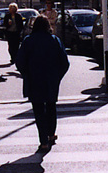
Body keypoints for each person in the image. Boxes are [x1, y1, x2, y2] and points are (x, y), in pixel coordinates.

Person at [15, 15, 70, 152]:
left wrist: (26, 74)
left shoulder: (28, 41)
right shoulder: (54, 40)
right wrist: (57, 76)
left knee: (39, 111)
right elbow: (65, 63)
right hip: (51, 79)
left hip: (34, 79)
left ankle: (43, 141)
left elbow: (20, 62)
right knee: (51, 107)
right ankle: (51, 134)